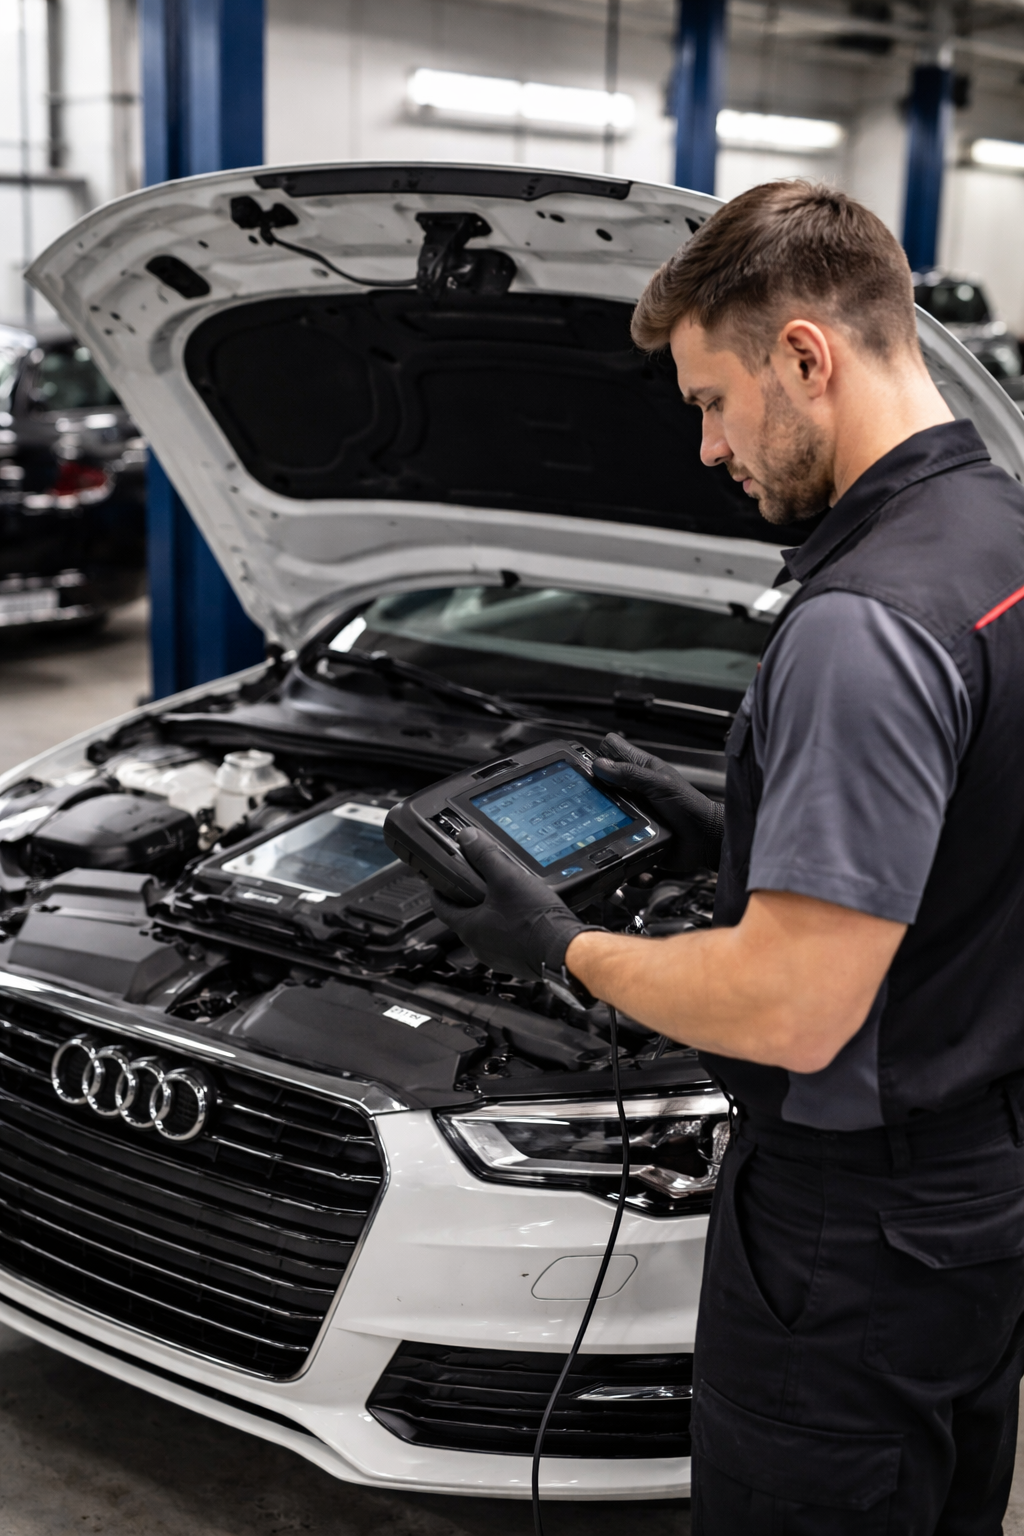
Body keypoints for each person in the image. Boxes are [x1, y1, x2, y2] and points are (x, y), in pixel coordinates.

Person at [431, 180, 1024, 1535]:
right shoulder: (996, 541)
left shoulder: (861, 623)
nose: (706, 447)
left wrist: (559, 945)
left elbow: (793, 1008)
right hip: (978, 1193)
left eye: (709, 400)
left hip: (848, 1239)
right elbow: (970, 807)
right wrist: (728, 803)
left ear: (806, 356)